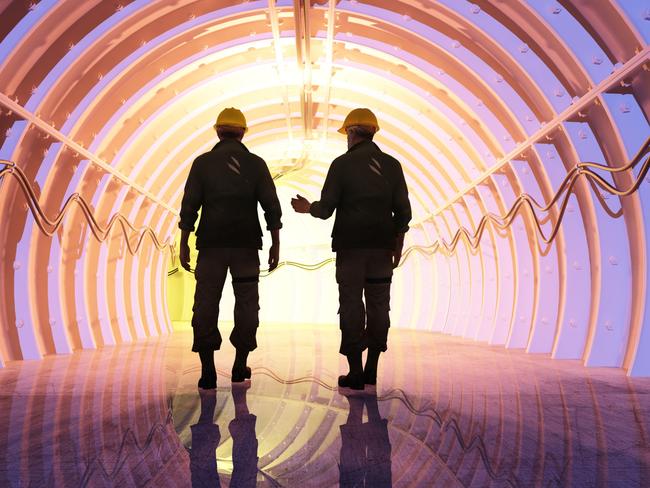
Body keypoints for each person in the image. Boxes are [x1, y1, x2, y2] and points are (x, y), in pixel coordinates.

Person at [291, 108, 411, 391]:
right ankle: (372, 370)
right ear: (373, 132)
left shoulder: (341, 165)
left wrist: (309, 208)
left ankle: (355, 372)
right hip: (382, 249)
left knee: (352, 305)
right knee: (380, 305)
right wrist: (397, 244)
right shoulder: (392, 166)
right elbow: (403, 213)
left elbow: (326, 208)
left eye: (346, 134)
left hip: (350, 249)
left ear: (352, 133)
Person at [179, 107, 282, 389]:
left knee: (205, 304)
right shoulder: (256, 164)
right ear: (243, 132)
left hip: (211, 245)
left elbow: (190, 206)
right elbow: (271, 206)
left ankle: (208, 370)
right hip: (247, 247)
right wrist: (276, 243)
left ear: (217, 131)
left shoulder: (202, 163)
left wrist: (184, 242)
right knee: (247, 304)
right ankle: (239, 365)